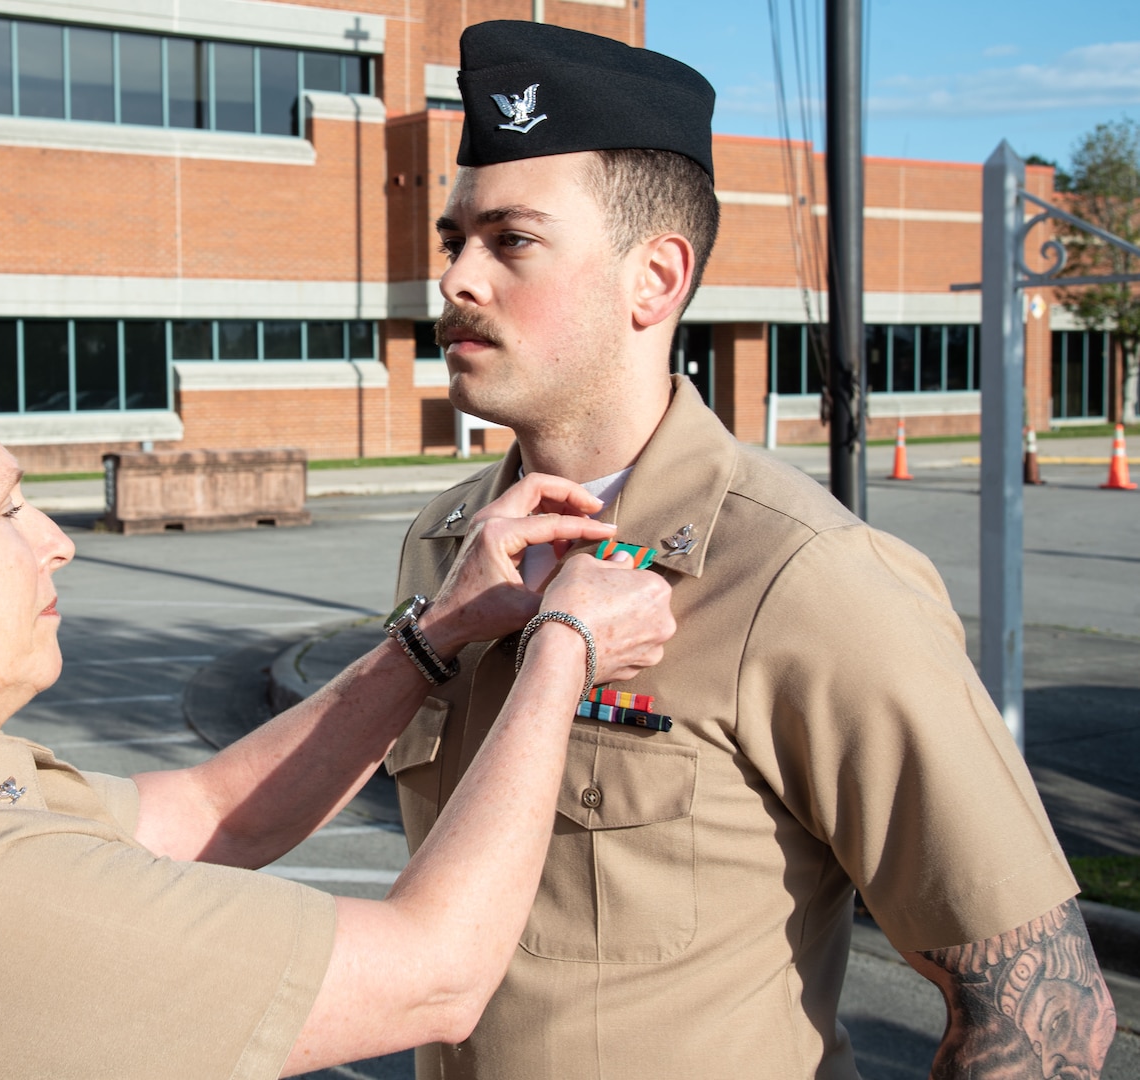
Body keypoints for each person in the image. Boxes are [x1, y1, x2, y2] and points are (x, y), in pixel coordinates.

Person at [0, 267, 676, 1080]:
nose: (55, 540)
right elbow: (434, 973)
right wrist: (560, 648)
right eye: (4, 510)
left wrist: (432, 637)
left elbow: (212, 813)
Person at [389, 20, 1117, 1079]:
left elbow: (1043, 1015)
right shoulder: (443, 547)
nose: (456, 277)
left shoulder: (806, 577)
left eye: (510, 240)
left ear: (655, 279)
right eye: (454, 238)